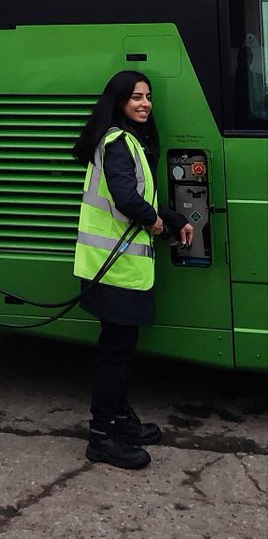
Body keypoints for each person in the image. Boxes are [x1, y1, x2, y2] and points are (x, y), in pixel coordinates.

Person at [72, 71, 193, 470]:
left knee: (120, 350)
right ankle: (102, 435)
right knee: (115, 354)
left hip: (119, 268)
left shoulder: (127, 142)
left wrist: (173, 219)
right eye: (136, 97)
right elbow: (126, 198)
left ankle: (120, 419)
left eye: (148, 97)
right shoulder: (117, 142)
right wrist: (156, 225)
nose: (145, 103)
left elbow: (140, 195)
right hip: (114, 269)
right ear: (119, 101)